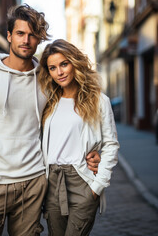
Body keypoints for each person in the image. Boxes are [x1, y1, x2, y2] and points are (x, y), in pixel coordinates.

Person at [0, 4, 100, 236]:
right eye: (20, 33)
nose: (26, 40)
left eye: (33, 35)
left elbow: (71, 115)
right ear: (9, 36)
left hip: (34, 184)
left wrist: (95, 150)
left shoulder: (46, 79)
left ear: (39, 39)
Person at [38, 39, 119, 236]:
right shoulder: (47, 102)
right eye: (53, 67)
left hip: (82, 181)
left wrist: (96, 187)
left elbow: (111, 144)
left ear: (75, 63)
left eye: (64, 64)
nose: (60, 72)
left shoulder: (99, 100)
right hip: (52, 182)